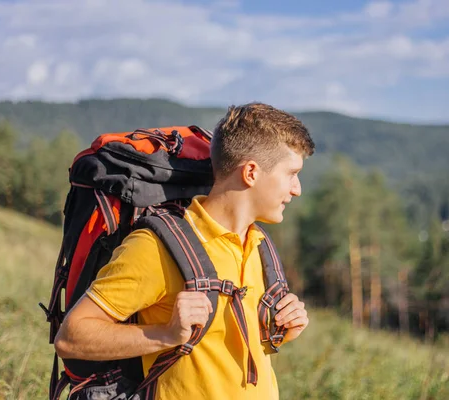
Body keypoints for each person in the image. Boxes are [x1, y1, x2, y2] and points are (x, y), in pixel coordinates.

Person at [54, 102, 316, 399]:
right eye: (291, 174)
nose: (297, 189)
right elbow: (72, 337)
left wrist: (282, 329)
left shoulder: (259, 246)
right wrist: (166, 334)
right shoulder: (157, 247)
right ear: (251, 173)